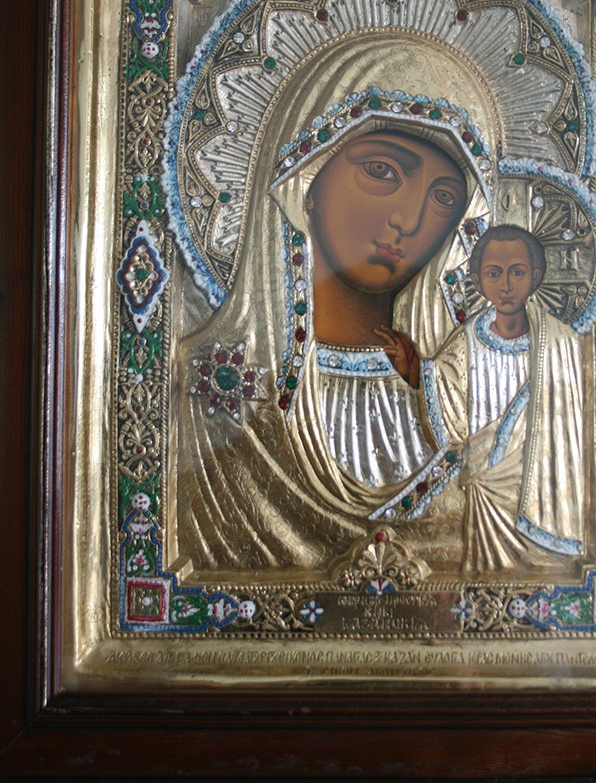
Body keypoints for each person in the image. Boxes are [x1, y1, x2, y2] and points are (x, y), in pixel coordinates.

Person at [173, 32, 495, 573]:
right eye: (381, 171)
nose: (409, 220)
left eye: (443, 198)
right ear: (306, 179)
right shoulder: (214, 391)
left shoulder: (470, 398)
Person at [382, 224, 591, 571]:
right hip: (484, 489)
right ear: (478, 282)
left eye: (517, 272)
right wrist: (414, 371)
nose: (506, 285)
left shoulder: (560, 344)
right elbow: (447, 395)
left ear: (536, 277)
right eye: (494, 274)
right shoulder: (467, 340)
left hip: (537, 489)